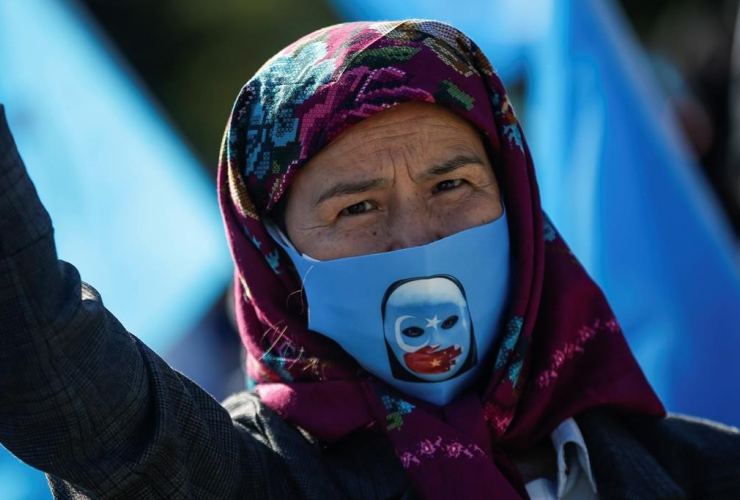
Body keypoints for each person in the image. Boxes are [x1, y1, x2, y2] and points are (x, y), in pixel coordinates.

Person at [1, 19, 739, 500]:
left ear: (516, 201)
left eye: (452, 185)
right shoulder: (247, 476)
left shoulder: (701, 473)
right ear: (275, 260)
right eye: (356, 208)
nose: (417, 240)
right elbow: (54, 372)